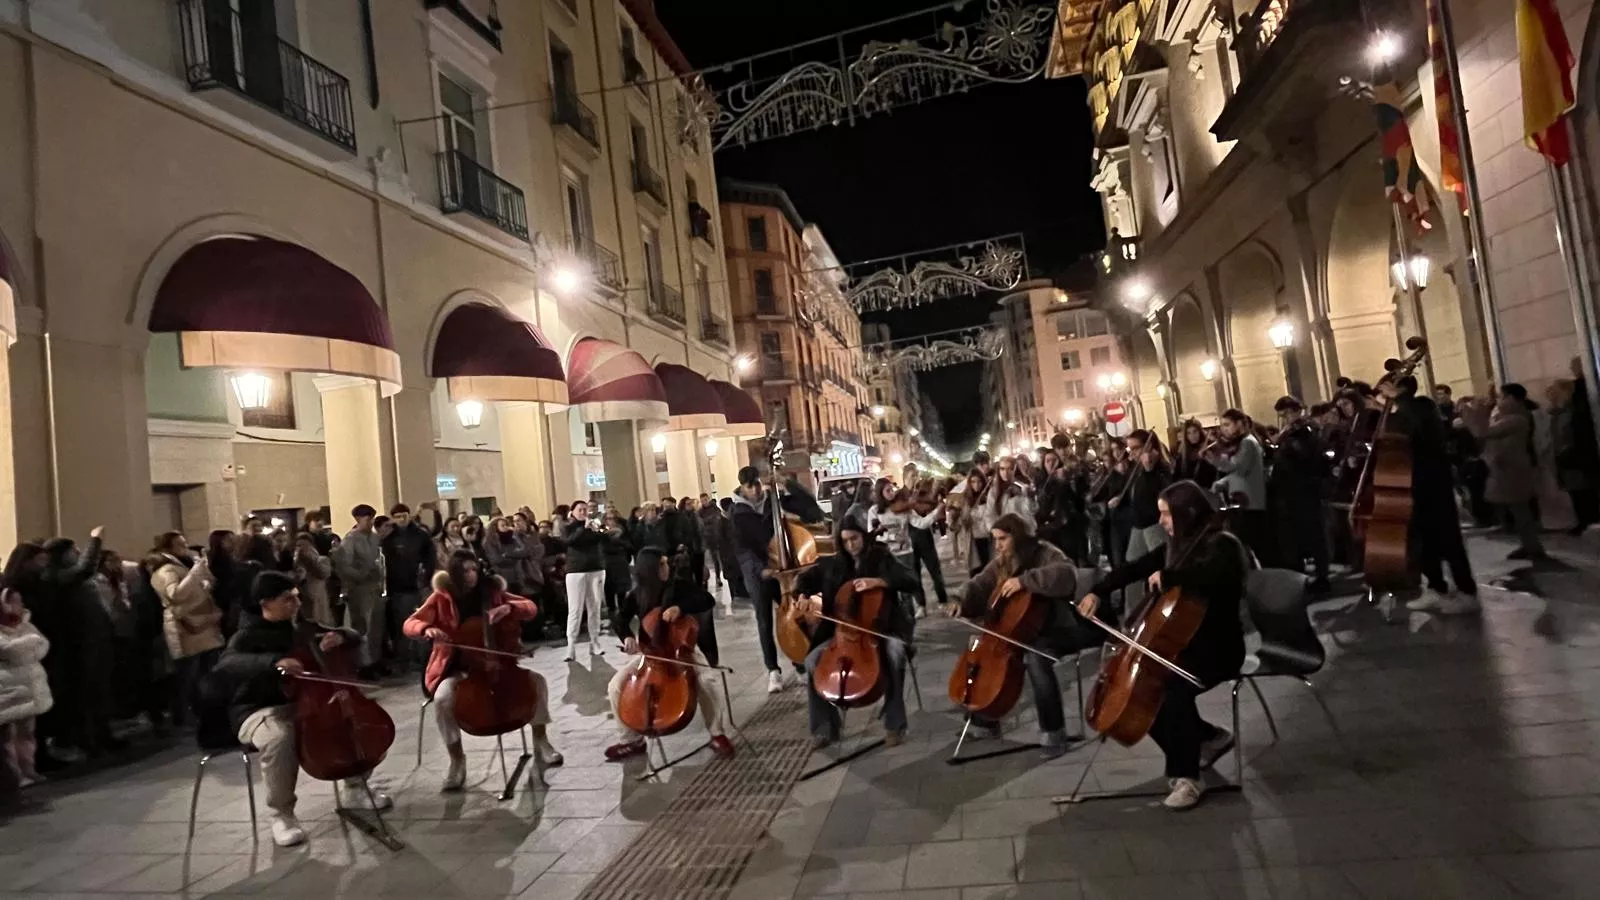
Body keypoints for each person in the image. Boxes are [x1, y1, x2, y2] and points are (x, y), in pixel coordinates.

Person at [1076, 481, 1247, 810]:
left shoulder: (1222, 545)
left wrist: (1172, 577)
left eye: (1167, 514)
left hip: (1219, 647)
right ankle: (1207, 737)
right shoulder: (1177, 544)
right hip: (1184, 645)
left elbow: (1210, 579)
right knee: (1146, 689)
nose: (1162, 522)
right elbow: (1136, 567)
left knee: (1166, 691)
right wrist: (1099, 590)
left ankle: (1188, 778)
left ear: (1187, 512)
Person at [212, 571, 389, 847]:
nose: (295, 603)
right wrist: (273, 662)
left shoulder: (303, 627)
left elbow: (355, 634)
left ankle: (355, 786)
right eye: (287, 599)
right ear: (265, 603)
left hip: (305, 702)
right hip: (257, 709)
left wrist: (341, 636)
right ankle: (281, 814)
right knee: (279, 738)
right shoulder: (245, 635)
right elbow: (227, 665)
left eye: (296, 596)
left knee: (342, 718)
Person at [404, 549, 561, 790]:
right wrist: (426, 629)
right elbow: (410, 623)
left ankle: (541, 739)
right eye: (465, 571)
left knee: (537, 682)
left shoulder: (491, 590)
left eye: (474, 569)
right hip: (457, 667)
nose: (471, 575)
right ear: (455, 573)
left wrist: (509, 609)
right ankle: (457, 759)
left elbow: (529, 607)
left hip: (498, 664)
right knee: (443, 699)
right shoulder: (441, 597)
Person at [952, 513, 1087, 759]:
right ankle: (986, 719)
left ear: (1018, 537)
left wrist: (1026, 581)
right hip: (1018, 631)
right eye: (995, 540)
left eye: (1003, 539)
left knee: (1036, 659)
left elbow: (1067, 574)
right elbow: (980, 583)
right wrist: (960, 599)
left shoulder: (1045, 552)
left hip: (1058, 629)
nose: (998, 545)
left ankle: (1054, 732)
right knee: (983, 655)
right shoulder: (1002, 561)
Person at [793, 512, 918, 749]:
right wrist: (801, 594)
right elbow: (805, 580)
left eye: (855, 539)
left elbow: (910, 580)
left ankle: (895, 723)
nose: (851, 546)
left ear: (863, 536)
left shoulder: (881, 556)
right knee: (812, 661)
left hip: (883, 628)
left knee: (894, 653)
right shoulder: (832, 563)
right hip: (841, 633)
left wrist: (881, 582)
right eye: (846, 541)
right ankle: (824, 728)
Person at [603, 547, 735, 762]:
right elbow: (620, 619)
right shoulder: (638, 594)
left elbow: (706, 600)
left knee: (707, 682)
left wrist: (680, 608)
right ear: (650, 569)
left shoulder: (678, 586)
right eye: (662, 564)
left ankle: (718, 733)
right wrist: (626, 636)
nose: (667, 567)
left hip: (682, 652)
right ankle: (631, 740)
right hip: (652, 656)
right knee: (615, 686)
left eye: (665, 563)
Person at [729, 465, 826, 693]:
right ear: (742, 487)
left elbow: (812, 508)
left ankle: (800, 663)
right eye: (750, 486)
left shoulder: (775, 499)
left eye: (757, 484)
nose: (755, 491)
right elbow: (741, 549)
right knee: (764, 620)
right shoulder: (736, 513)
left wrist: (786, 482)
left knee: (794, 615)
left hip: (785, 567)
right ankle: (773, 670)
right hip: (759, 572)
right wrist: (761, 569)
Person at [1461, 385, 1546, 561]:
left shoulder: (1516, 419)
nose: (1499, 401)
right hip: (1506, 467)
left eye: (1502, 397)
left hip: (1513, 468)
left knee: (1520, 509)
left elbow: (1482, 432)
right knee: (1517, 509)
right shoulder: (1509, 417)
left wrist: (1469, 412)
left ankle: (1533, 547)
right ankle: (1529, 545)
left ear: (1513, 399)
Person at [147, 531, 223, 729]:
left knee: (205, 672)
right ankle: (181, 715)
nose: (186, 547)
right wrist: (194, 574)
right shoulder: (165, 570)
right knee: (187, 675)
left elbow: (207, 585)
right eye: (180, 544)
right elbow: (176, 594)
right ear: (169, 548)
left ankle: (203, 710)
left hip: (203, 623)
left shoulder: (183, 564)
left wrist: (204, 577)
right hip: (186, 626)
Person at [1270, 397, 1332, 591]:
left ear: (1297, 411)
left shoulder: (1306, 430)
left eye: (1288, 413)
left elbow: (1309, 456)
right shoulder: (1289, 433)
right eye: (1282, 415)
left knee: (1314, 532)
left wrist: (1289, 442)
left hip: (1305, 487)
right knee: (1295, 534)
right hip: (1290, 489)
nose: (1286, 418)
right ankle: (1301, 574)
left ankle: (1322, 576)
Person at [0, 585, 51, 806]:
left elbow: (42, 644)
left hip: (29, 684)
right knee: (7, 735)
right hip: (8, 688)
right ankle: (14, 774)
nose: (19, 606)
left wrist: (28, 645)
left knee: (28, 731)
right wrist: (28, 644)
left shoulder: (25, 623)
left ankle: (29, 767)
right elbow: (8, 650)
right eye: (14, 602)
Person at [1207, 409, 1271, 566]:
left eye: (1227, 425)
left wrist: (1213, 459)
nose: (1223, 429)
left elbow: (1237, 467)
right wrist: (1221, 483)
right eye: (1222, 426)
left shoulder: (1248, 442)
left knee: (1251, 543)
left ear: (1239, 424)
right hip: (1243, 499)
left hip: (1250, 501)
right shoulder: (1243, 443)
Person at [381, 504, 437, 675]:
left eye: (404, 515)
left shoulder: (421, 535)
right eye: (397, 516)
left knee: (423, 623)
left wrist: (426, 574)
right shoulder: (389, 539)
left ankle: (424, 659)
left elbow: (430, 557)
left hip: (420, 586)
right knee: (402, 626)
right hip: (399, 589)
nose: (401, 519)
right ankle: (403, 660)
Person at [867, 480, 936, 618]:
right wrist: (890, 536)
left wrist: (935, 514)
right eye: (887, 490)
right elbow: (872, 533)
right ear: (880, 493)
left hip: (905, 553)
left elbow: (920, 523)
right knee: (890, 587)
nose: (891, 493)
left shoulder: (905, 508)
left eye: (892, 489)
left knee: (907, 586)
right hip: (887, 554)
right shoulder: (874, 511)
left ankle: (912, 614)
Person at [332, 505, 386, 677]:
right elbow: (343, 566)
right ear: (358, 519)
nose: (370, 522)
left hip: (375, 587)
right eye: (367, 519)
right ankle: (364, 664)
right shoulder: (351, 540)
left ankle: (376, 659)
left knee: (377, 627)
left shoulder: (374, 538)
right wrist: (360, 575)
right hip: (360, 589)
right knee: (364, 627)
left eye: (371, 518)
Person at [1549, 378, 1599, 534]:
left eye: (1556, 391)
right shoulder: (1558, 412)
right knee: (1574, 489)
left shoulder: (1572, 411)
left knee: (1581, 488)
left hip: (1572, 454)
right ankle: (1583, 519)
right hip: (1564, 455)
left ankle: (1588, 518)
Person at [1115, 430, 1172, 563]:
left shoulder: (1160, 468)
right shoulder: (1134, 467)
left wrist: (1149, 470)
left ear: (1148, 446)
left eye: (1135, 448)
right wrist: (1120, 498)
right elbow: (1131, 490)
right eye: (1130, 449)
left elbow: (1159, 494)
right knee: (1132, 561)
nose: (1132, 453)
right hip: (1138, 523)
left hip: (1154, 523)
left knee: (1158, 561)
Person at [562, 500, 607, 660]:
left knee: (594, 607)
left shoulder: (594, 525)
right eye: (580, 509)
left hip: (596, 569)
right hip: (576, 571)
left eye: (585, 510)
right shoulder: (568, 527)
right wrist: (584, 528)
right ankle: (571, 645)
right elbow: (569, 541)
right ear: (573, 512)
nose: (583, 512)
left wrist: (599, 529)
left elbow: (604, 538)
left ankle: (595, 641)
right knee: (575, 609)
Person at [290, 532, 335, 627]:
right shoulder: (295, 564)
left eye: (304, 545)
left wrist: (308, 560)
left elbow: (323, 573)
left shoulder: (322, 560)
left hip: (318, 601)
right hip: (302, 602)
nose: (301, 549)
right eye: (298, 546)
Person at [1172, 419, 1218, 489]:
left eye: (1195, 431)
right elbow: (1177, 478)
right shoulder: (1183, 453)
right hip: (1190, 493)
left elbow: (1216, 473)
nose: (1192, 436)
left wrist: (1208, 458)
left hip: (1207, 492)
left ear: (1200, 432)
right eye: (1188, 433)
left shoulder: (1209, 448)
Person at [697, 494, 727, 589]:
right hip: (707, 538)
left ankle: (720, 576)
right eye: (702, 501)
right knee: (713, 559)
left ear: (708, 499)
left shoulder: (715, 508)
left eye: (705, 500)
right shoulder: (700, 511)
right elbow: (700, 523)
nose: (704, 502)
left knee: (720, 558)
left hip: (717, 536)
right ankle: (714, 578)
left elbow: (717, 518)